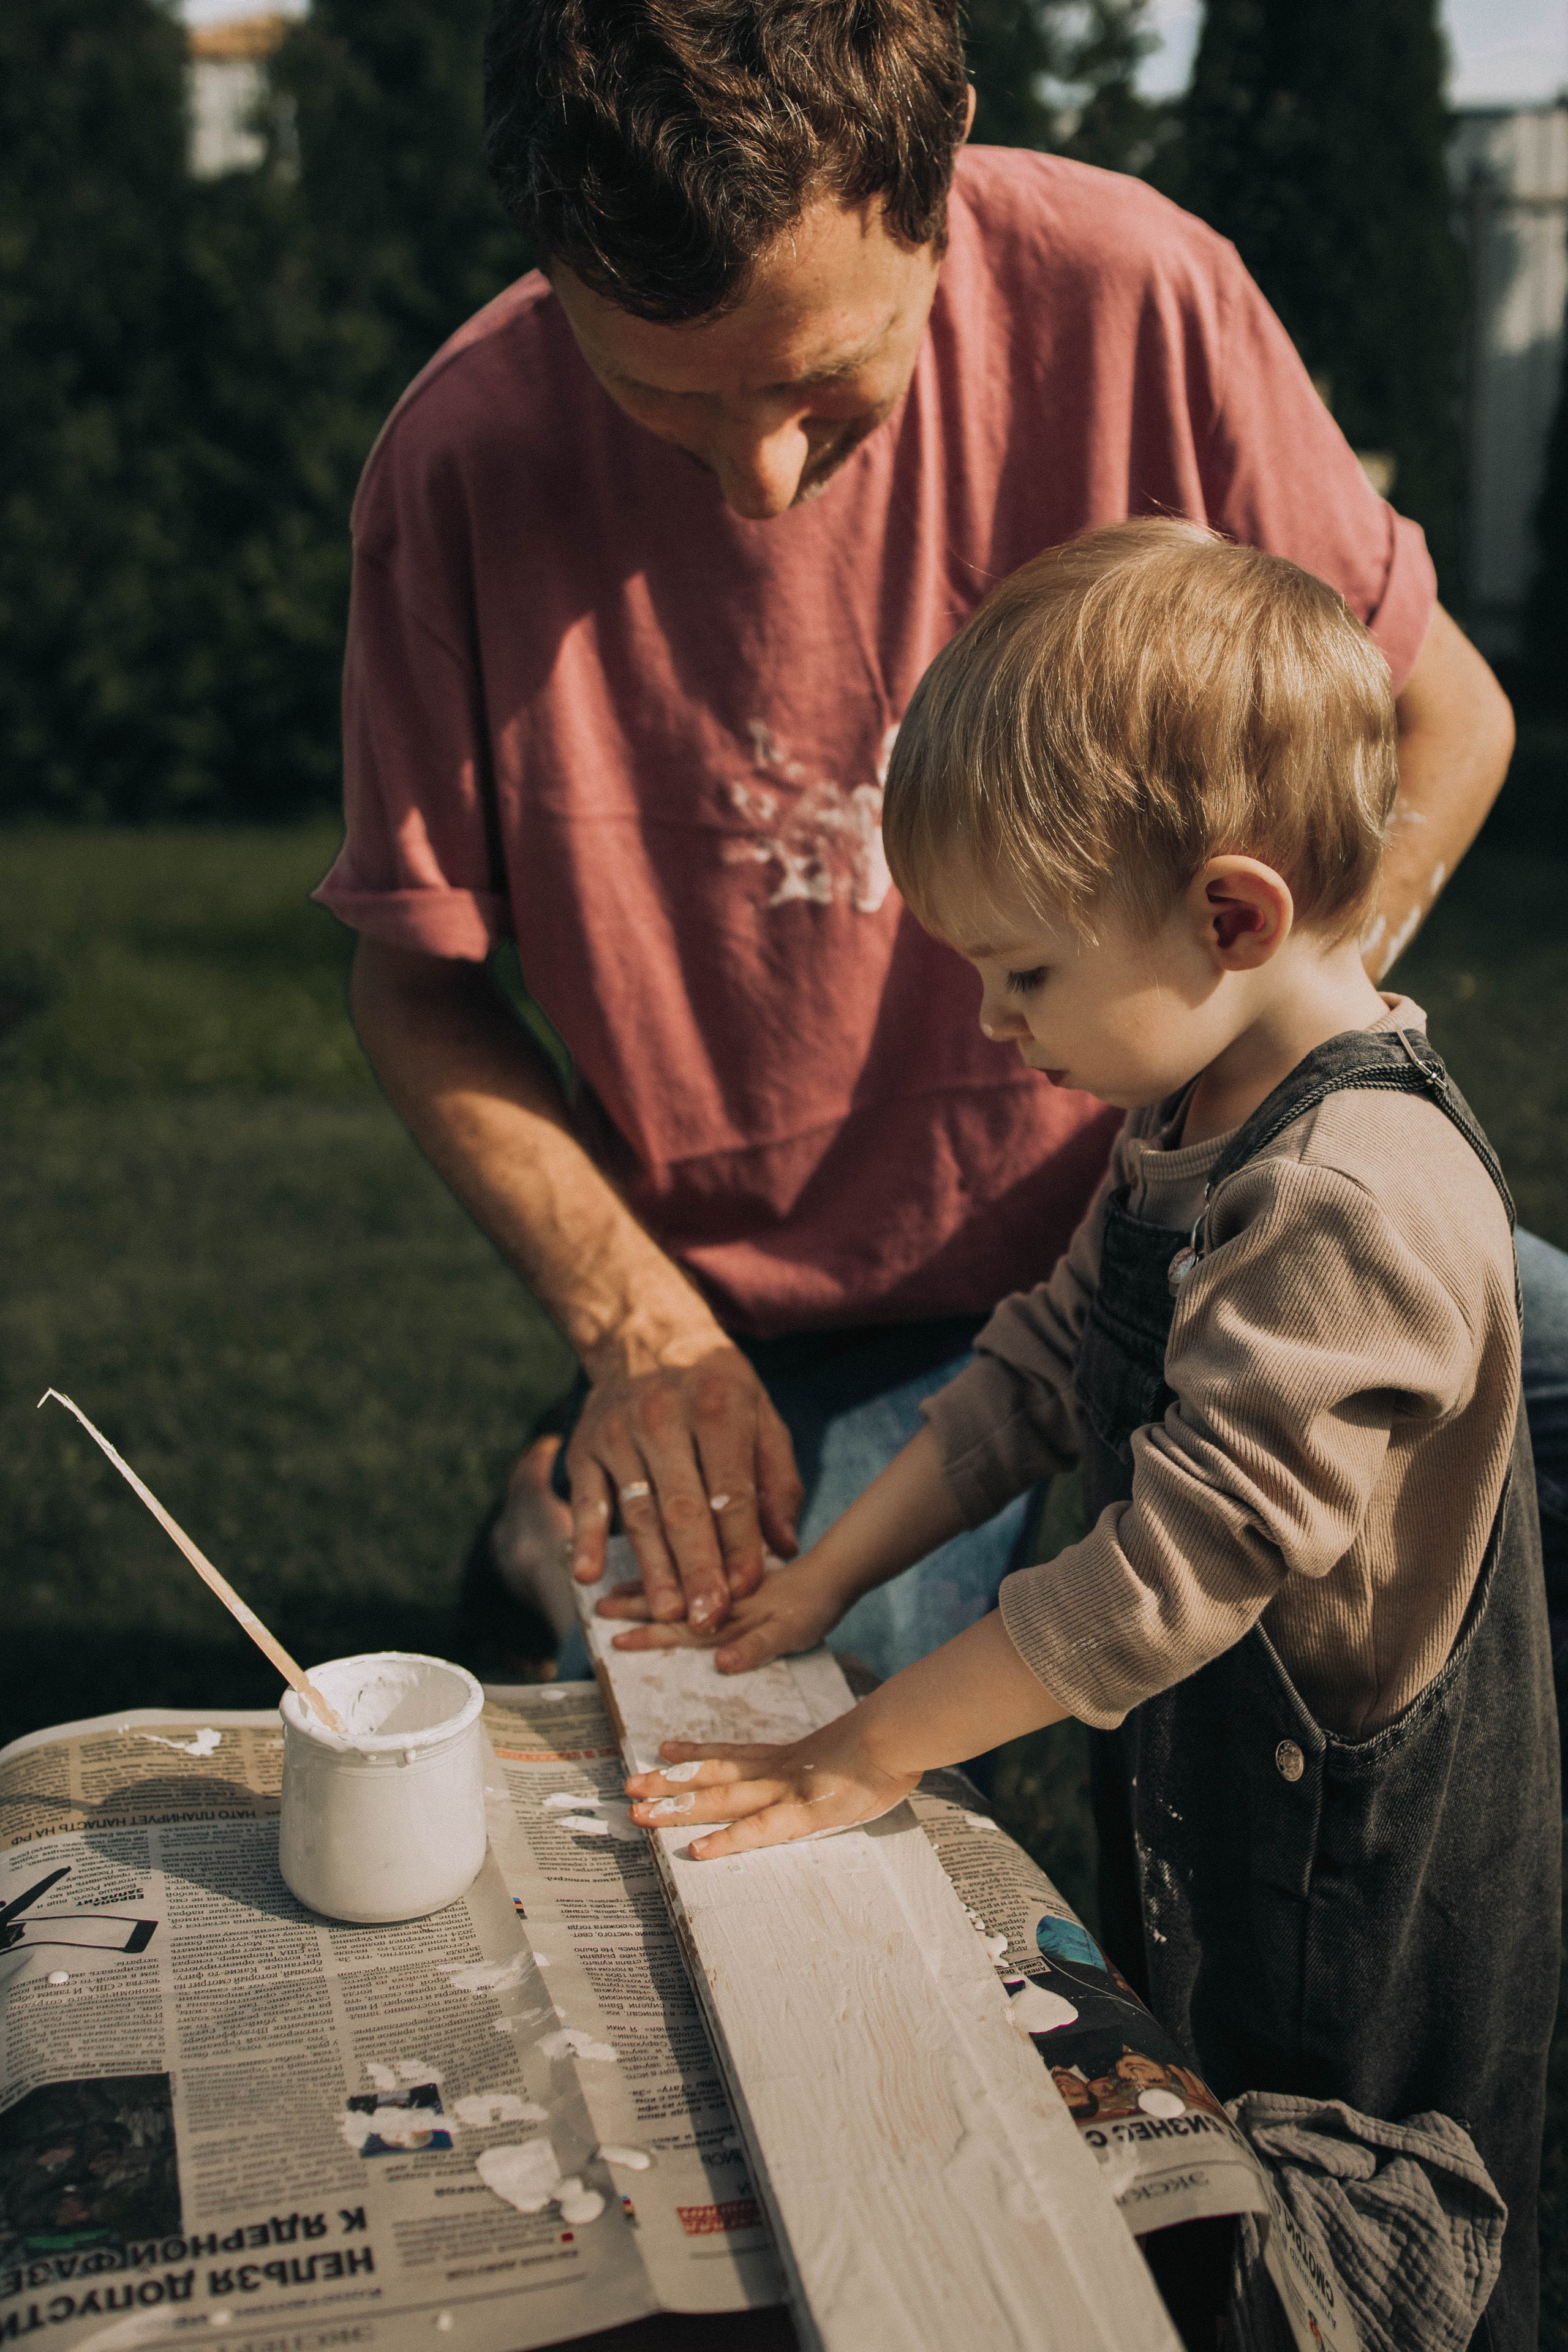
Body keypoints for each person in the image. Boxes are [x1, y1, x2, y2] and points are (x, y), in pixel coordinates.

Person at [315, 0, 1567, 1700]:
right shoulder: (455, 461)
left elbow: (1453, 720)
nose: (757, 487)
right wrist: (647, 1332)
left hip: (1207, 1203)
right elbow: (418, 991)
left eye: (825, 392)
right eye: (662, 404)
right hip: (820, 1306)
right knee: (794, 1675)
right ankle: (563, 1517)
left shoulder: (1143, 295)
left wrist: (1278, 1065)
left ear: (942, 172)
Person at [619, 522, 1560, 2348]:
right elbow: (1039, 1372)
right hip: (1221, 1811)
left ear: (1231, 916)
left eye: (1027, 974)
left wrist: (860, 1755)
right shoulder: (1197, 1104)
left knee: (1352, 2265)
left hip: (1357, 1894)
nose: (994, 1022)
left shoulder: (1355, 1192)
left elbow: (1164, 1582)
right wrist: (824, 1580)